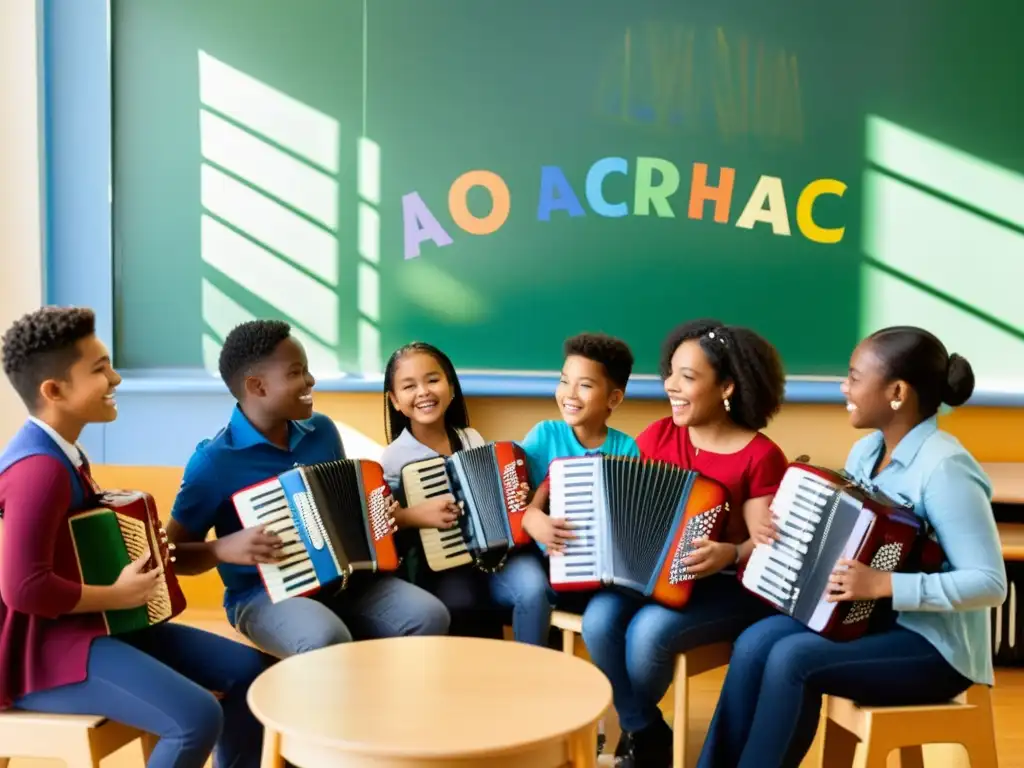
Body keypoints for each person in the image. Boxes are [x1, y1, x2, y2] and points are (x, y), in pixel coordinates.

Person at [696, 326, 1008, 768]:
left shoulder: (946, 469)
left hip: (935, 650)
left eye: (854, 376)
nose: (845, 386)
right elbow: (844, 534)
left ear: (897, 391)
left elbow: (990, 584)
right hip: (869, 625)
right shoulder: (866, 451)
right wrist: (787, 526)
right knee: (754, 640)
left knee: (791, 659)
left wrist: (885, 584)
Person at [0, 306, 265, 768]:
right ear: (54, 391)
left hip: (89, 630)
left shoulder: (61, 454)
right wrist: (117, 594)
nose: (116, 378)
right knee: (196, 717)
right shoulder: (38, 470)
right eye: (100, 369)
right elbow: (23, 589)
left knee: (250, 674)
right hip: (41, 656)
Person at [166, 320, 449, 659]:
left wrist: (376, 516)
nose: (310, 381)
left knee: (429, 615)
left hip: (344, 581)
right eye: (296, 372)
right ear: (257, 387)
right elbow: (172, 553)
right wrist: (220, 549)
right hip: (264, 593)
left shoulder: (322, 432)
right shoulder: (213, 463)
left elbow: (345, 514)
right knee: (325, 638)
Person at [581, 319, 788, 767]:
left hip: (728, 588)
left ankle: (637, 733)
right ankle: (646, 730)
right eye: (671, 372)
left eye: (688, 378)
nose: (671, 386)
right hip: (651, 578)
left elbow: (765, 542)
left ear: (727, 387)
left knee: (647, 633)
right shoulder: (658, 435)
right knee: (598, 620)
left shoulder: (760, 455)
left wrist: (730, 553)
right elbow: (624, 504)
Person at [379, 341, 550, 645]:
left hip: (496, 556)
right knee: (461, 601)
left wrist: (514, 496)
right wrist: (412, 515)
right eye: (409, 386)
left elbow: (494, 499)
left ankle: (531, 678)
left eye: (433, 380)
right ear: (395, 400)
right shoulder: (392, 459)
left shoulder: (471, 438)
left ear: (451, 387)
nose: (423, 392)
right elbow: (384, 525)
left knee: (534, 588)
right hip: (442, 568)